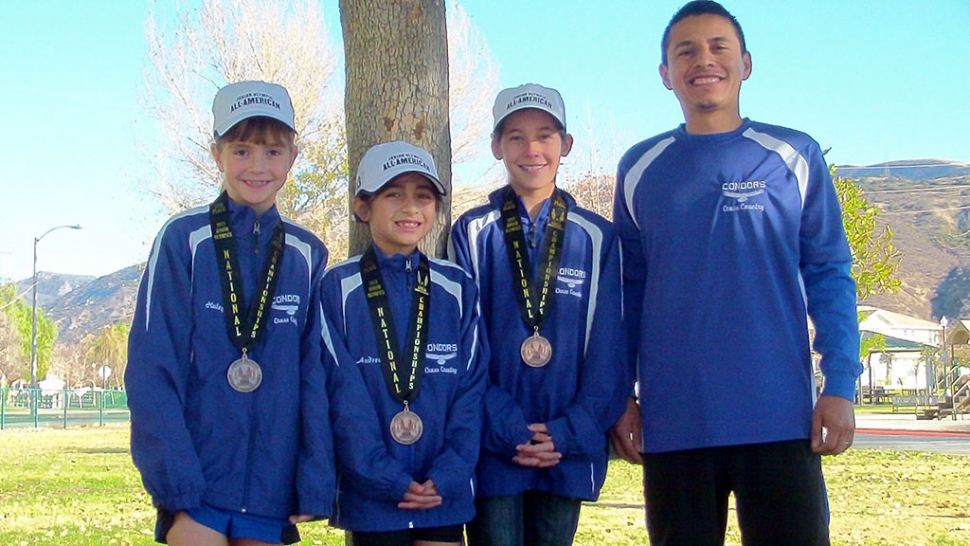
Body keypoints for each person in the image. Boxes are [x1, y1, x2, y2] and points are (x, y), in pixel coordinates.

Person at [610, 2, 863, 544]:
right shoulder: (638, 167)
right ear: (665, 74)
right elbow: (627, 295)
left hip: (779, 421)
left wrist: (840, 382)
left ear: (746, 63)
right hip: (676, 424)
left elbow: (830, 273)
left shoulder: (793, 155)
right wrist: (621, 397)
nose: (705, 60)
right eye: (686, 50)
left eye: (719, 46)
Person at [126, 80, 334, 546]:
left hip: (273, 490)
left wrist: (314, 478)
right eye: (241, 151)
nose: (257, 167)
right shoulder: (183, 240)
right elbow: (152, 367)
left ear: (293, 158)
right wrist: (175, 480)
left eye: (273, 152)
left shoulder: (308, 253)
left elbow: (315, 376)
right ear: (216, 153)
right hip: (198, 483)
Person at [449, 84, 628, 546]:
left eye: (545, 136)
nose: (532, 150)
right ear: (496, 146)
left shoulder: (597, 238)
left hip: (564, 447)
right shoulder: (472, 233)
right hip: (494, 447)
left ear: (565, 145)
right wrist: (507, 428)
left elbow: (609, 349)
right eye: (515, 137)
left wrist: (570, 432)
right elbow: (464, 346)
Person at [320, 141, 487, 546]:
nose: (410, 208)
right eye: (393, 194)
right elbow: (344, 399)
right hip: (371, 498)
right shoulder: (336, 288)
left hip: (442, 494)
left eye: (423, 196)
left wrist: (447, 475)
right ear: (363, 207)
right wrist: (382, 476)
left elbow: (471, 391)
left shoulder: (458, 287)